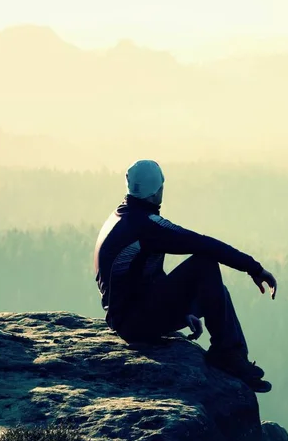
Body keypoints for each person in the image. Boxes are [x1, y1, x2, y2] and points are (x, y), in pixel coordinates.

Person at [94, 159, 277, 393]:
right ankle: (228, 353)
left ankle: (234, 354)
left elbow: (139, 280)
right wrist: (254, 268)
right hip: (134, 323)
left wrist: (183, 311)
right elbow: (203, 244)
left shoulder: (121, 217)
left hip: (127, 316)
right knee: (205, 264)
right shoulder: (146, 226)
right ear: (156, 190)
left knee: (217, 291)